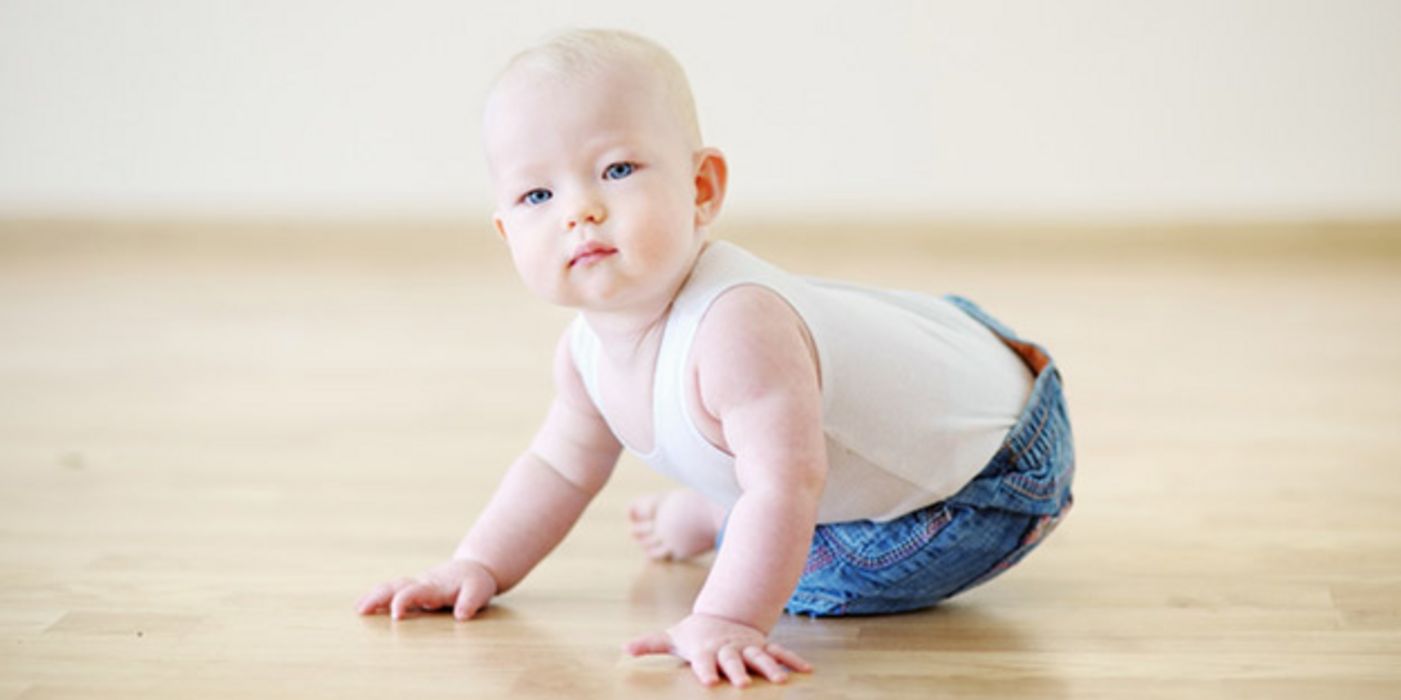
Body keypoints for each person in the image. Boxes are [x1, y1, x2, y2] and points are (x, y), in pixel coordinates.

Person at [356, 28, 1075, 689]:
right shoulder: (583, 353)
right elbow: (558, 466)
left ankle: (715, 518)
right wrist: (476, 563)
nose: (579, 210)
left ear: (701, 189)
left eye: (616, 169)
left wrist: (727, 616)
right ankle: (718, 516)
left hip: (988, 471)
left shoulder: (735, 327)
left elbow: (787, 487)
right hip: (935, 364)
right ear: (506, 232)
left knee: (803, 568)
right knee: (768, 511)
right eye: (537, 193)